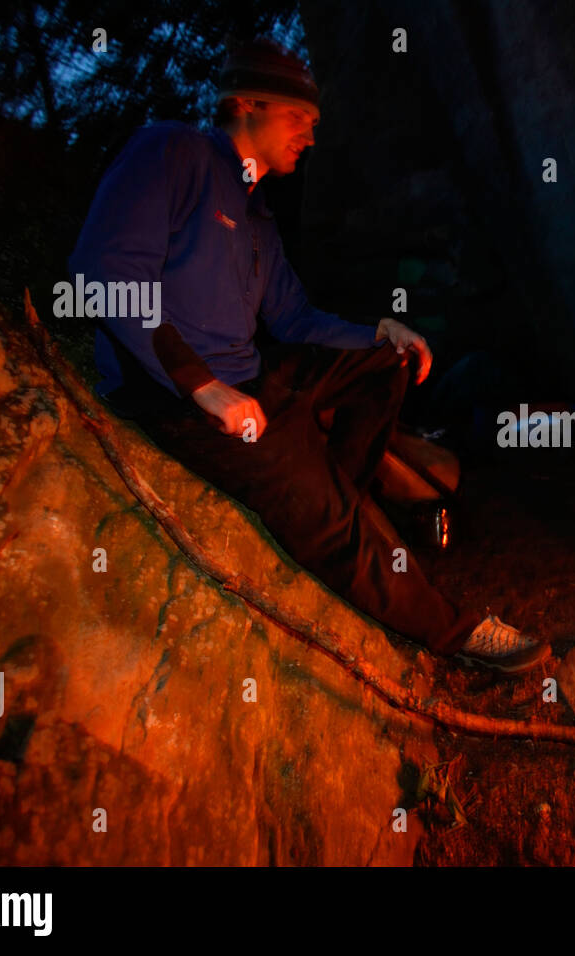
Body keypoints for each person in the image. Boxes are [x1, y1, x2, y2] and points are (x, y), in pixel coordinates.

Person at [68, 39, 549, 673]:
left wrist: (380, 332)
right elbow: (103, 272)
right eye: (299, 119)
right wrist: (200, 386)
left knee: (388, 364)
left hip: (250, 379)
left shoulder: (258, 213)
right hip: (174, 396)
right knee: (331, 514)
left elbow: (295, 318)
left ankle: (341, 491)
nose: (311, 137)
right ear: (247, 104)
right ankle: (455, 632)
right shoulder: (172, 151)